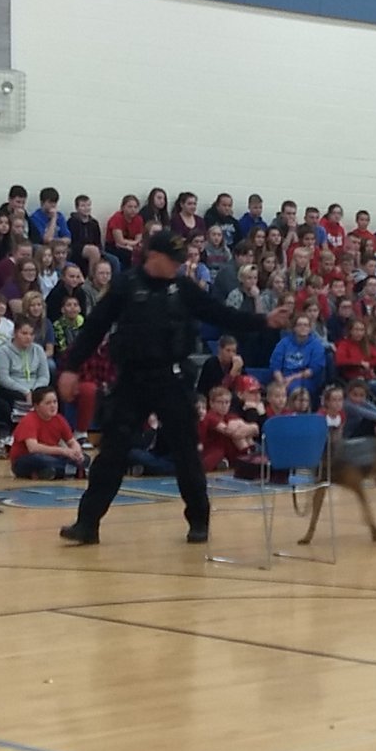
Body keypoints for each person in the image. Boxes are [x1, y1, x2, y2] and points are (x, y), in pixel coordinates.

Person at [57, 230, 290, 545]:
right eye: (173, 260)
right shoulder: (126, 285)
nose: (178, 266)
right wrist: (71, 369)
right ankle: (87, 524)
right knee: (112, 452)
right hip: (131, 381)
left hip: (171, 378)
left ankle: (199, 522)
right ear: (154, 256)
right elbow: (94, 328)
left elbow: (220, 313)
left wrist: (264, 321)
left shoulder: (182, 288)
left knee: (186, 453)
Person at [10, 386, 87, 479]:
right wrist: (63, 451)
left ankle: (53, 472)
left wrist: (77, 452)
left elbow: (72, 441)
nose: (53, 406)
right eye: (48, 403)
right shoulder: (29, 420)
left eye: (55, 402)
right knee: (41, 460)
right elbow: (33, 448)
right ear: (36, 406)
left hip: (52, 457)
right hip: (26, 459)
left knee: (85, 458)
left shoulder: (59, 419)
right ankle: (75, 471)